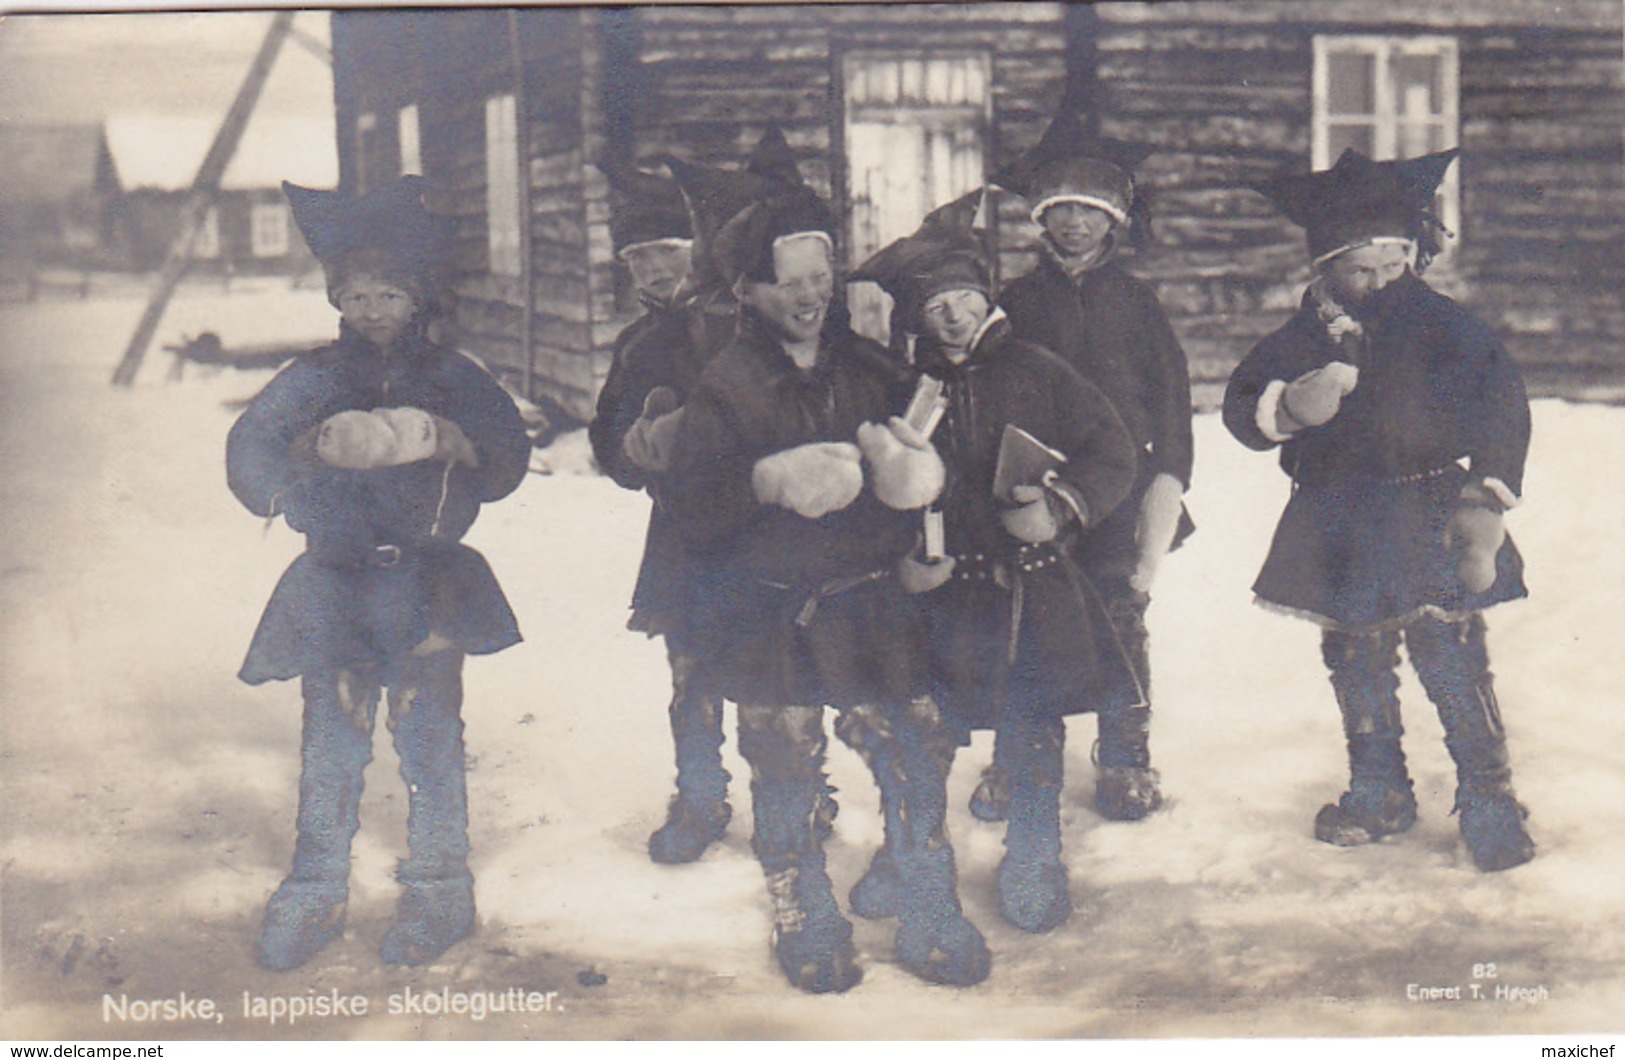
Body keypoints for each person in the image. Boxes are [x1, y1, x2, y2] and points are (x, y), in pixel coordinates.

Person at [664, 178, 989, 990]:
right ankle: (800, 903)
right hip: (773, 609)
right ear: (747, 290)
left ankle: (927, 901)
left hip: (873, 600)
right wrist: (766, 483)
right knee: (783, 762)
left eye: (822, 277)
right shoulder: (725, 384)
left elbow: (931, 480)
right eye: (790, 282)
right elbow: (691, 513)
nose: (812, 297)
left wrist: (920, 508)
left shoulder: (872, 368)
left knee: (915, 750)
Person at [227, 177, 532, 969]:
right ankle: (315, 889)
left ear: (416, 296)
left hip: (428, 584)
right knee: (332, 739)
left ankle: (438, 890)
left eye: (387, 294)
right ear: (336, 298)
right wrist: (294, 468)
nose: (370, 311)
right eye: (355, 295)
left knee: (428, 738)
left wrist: (455, 441)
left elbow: (506, 456)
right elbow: (249, 448)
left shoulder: (453, 375)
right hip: (334, 582)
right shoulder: (315, 378)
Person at [1222, 147, 1536, 873]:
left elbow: (1502, 404)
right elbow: (1244, 406)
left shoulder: (1445, 326)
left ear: (1412, 254)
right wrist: (1288, 407)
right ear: (1324, 268)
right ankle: (1378, 787)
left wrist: (1486, 492)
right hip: (1337, 518)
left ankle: (1488, 795)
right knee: (1354, 653)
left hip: (1431, 507)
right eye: (1359, 269)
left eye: (1392, 266)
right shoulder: (1301, 337)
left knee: (1450, 653)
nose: (1378, 283)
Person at [849, 199, 1140, 933]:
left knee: (1032, 727)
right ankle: (906, 848)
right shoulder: (893, 390)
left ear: (987, 298)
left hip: (1025, 584)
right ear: (916, 318)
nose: (952, 317)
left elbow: (1113, 452)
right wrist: (901, 553)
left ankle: (1035, 855)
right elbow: (865, 495)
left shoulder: (1039, 370)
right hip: (931, 591)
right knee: (916, 730)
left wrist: (1063, 506)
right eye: (935, 306)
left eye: (964, 300)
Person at [977, 110, 1194, 825]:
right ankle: (1020, 759)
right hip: (1033, 485)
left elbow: (1170, 401)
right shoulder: (1016, 301)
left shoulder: (1135, 304)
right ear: (1041, 218)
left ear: (1114, 221)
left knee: (1117, 615)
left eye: (1089, 211)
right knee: (1025, 620)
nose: (1073, 225)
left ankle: (1125, 758)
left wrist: (1168, 480)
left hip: (1119, 490)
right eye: (1060, 210)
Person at [587, 159, 732, 864]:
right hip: (681, 530)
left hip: (759, 522)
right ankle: (699, 794)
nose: (649, 272)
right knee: (691, 666)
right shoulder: (637, 344)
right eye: (635, 258)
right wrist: (635, 450)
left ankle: (800, 790)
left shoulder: (742, 325)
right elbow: (606, 439)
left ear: (699, 252)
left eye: (664, 254)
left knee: (777, 663)